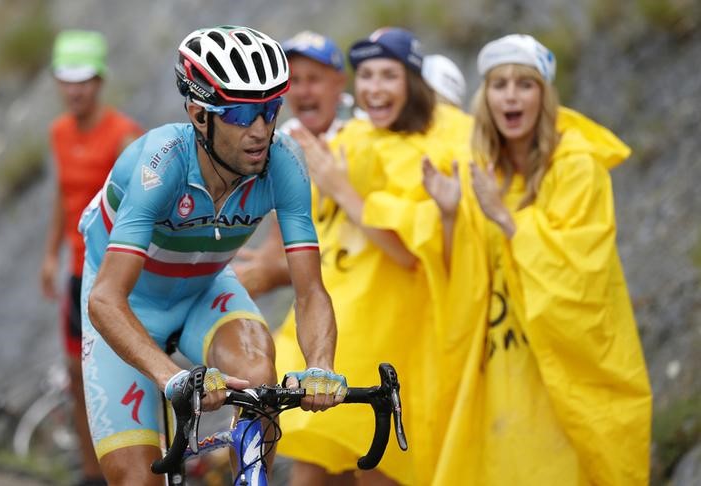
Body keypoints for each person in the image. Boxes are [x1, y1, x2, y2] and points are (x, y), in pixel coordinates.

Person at [77, 26, 346, 486]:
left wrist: (321, 364)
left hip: (205, 292)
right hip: (127, 307)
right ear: (200, 115)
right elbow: (104, 300)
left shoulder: (283, 162)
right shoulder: (159, 162)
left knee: (260, 376)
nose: (261, 131)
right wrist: (168, 376)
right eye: (242, 114)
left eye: (269, 110)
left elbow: (310, 291)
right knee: (136, 480)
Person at [422, 34, 652, 485]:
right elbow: (464, 283)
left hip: (566, 366)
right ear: (485, 98)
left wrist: (506, 220)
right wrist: (450, 216)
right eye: (499, 84)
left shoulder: (577, 168)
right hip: (503, 369)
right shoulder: (481, 173)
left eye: (524, 84)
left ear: (544, 96)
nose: (510, 95)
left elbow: (581, 271)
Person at [273, 27, 473, 485]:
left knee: (377, 467)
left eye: (388, 75)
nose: (374, 87)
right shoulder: (356, 139)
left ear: (411, 82)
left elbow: (408, 253)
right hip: (347, 326)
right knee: (315, 465)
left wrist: (342, 189)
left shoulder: (437, 148)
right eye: (366, 74)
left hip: (398, 337)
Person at [40, 29, 142, 486]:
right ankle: (89, 474)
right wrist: (50, 255)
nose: (75, 89)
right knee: (77, 378)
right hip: (77, 275)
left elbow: (142, 213)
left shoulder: (124, 136)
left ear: (99, 81)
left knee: (129, 377)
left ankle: (140, 469)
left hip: (116, 279)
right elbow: (62, 195)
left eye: (83, 80)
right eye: (67, 80)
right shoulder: (59, 133)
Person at [234, 30, 348, 298]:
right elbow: (280, 239)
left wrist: (270, 273)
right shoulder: (282, 143)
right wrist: (260, 264)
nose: (303, 91)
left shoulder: (361, 134)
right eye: (293, 80)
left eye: (313, 79)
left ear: (339, 83)